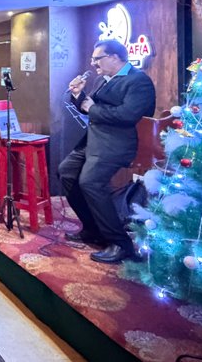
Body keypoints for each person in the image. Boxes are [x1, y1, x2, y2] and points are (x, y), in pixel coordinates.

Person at [59, 38, 156, 264]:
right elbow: (88, 108)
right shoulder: (103, 80)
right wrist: (79, 96)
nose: (93, 63)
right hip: (93, 141)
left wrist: (92, 108)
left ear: (114, 57)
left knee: (91, 183)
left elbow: (127, 116)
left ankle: (121, 244)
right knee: (66, 173)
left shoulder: (138, 81)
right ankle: (93, 229)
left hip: (116, 144)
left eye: (97, 59)